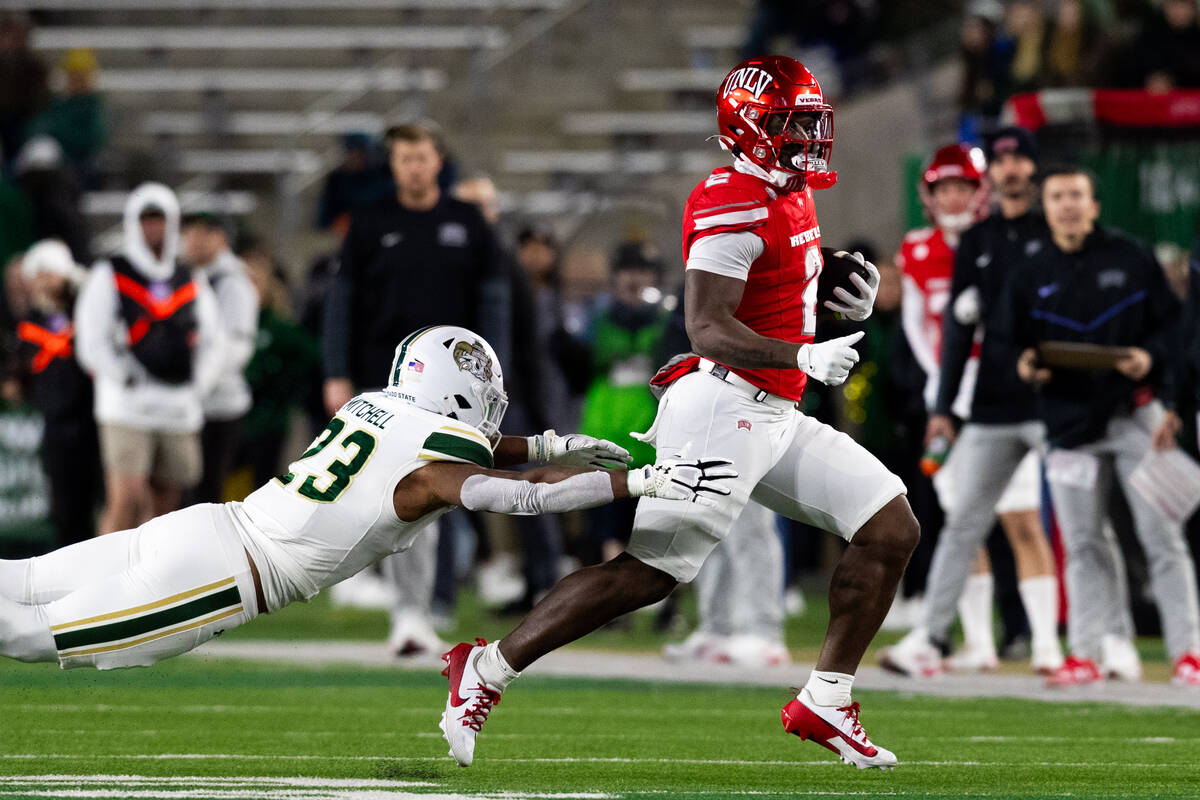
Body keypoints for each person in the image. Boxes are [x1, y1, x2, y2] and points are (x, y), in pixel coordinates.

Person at [438, 56, 917, 771]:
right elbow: (708, 325)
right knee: (648, 575)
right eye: (792, 126)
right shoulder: (732, 197)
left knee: (889, 527)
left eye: (811, 123)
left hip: (773, 410)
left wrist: (839, 284)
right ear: (750, 127)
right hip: (723, 405)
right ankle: (484, 669)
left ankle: (825, 696)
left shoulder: (785, 189)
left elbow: (777, 276)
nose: (809, 139)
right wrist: (802, 356)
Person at [0, 325, 734, 671]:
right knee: (34, 633)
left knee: (24, 578)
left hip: (202, 527)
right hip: (220, 576)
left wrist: (548, 446)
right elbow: (511, 498)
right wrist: (632, 482)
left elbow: (466, 454)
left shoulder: (374, 407)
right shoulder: (433, 460)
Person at [1000, 165, 1200, 687]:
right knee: (1084, 542)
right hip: (1068, 424)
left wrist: (1148, 359)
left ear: (1094, 204)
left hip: (1137, 415)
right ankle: (1085, 654)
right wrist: (1024, 365)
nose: (1067, 204)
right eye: (1058, 196)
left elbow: (1173, 330)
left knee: (1163, 538)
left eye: (1077, 195)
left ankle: (1190, 654)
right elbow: (1008, 343)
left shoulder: (1131, 258)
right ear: (1046, 206)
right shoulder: (1029, 270)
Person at [322, 123, 510, 649]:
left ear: (438, 160)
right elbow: (342, 302)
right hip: (382, 378)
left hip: (451, 388)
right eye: (404, 158)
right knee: (382, 493)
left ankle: (420, 608)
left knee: (437, 493)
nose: (414, 167)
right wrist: (335, 372)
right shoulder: (368, 222)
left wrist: (496, 375)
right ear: (394, 164)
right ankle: (393, 599)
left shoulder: (468, 222)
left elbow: (494, 304)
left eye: (422, 157)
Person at [880, 138, 1063, 677]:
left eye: (963, 186)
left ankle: (1047, 645)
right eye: (946, 187)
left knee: (1022, 517)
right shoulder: (916, 248)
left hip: (1010, 393)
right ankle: (978, 642)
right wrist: (942, 383)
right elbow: (916, 324)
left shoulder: (998, 243)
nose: (954, 196)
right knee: (963, 519)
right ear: (929, 194)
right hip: (954, 397)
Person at [74, 183, 224, 534]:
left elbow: (214, 340)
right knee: (125, 500)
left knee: (166, 508)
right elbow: (90, 340)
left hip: (177, 406)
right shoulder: (110, 273)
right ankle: (106, 577)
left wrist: (199, 386)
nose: (153, 229)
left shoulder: (189, 277)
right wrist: (123, 376)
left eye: (160, 220)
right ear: (133, 223)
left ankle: (152, 584)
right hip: (126, 406)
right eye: (146, 220)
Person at [13, 240, 100, 546]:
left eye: (50, 274)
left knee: (96, 502)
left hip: (91, 420)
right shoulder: (31, 321)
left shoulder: (86, 311)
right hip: (56, 425)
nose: (45, 283)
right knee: (65, 507)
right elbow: (21, 366)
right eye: (39, 276)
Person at [180, 213, 259, 505]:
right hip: (189, 400)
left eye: (204, 234)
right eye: (189, 234)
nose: (194, 242)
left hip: (220, 403)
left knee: (207, 490)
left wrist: (200, 380)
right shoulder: (186, 276)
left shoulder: (233, 281)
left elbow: (238, 347)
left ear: (220, 238)